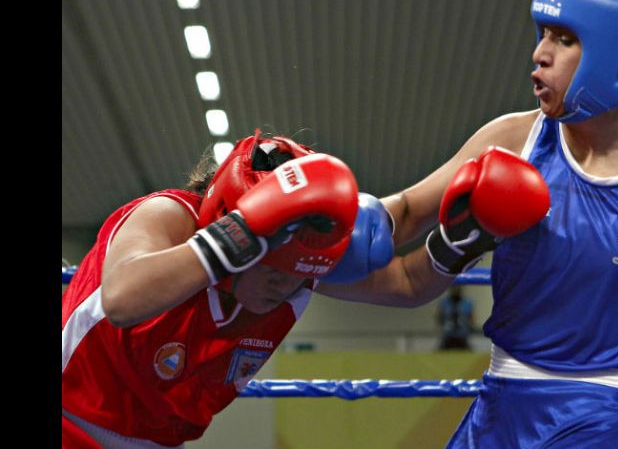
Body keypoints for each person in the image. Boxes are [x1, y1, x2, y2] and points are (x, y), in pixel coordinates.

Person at [317, 0, 618, 447]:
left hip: (612, 421)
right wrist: (315, 237)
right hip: (499, 412)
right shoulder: (511, 140)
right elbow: (401, 217)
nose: (539, 54)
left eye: (565, 39)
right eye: (543, 34)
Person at [61, 129, 395, 447]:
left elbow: (408, 274)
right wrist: (243, 233)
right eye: (271, 261)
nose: (283, 280)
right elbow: (121, 300)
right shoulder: (168, 217)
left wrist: (446, 243)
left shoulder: (297, 264)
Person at [436, 286, 475, 350]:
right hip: (448, 335)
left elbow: (472, 318)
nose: (456, 290)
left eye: (458, 288)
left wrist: (471, 328)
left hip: (462, 335)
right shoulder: (444, 303)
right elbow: (439, 317)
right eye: (454, 288)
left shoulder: (467, 303)